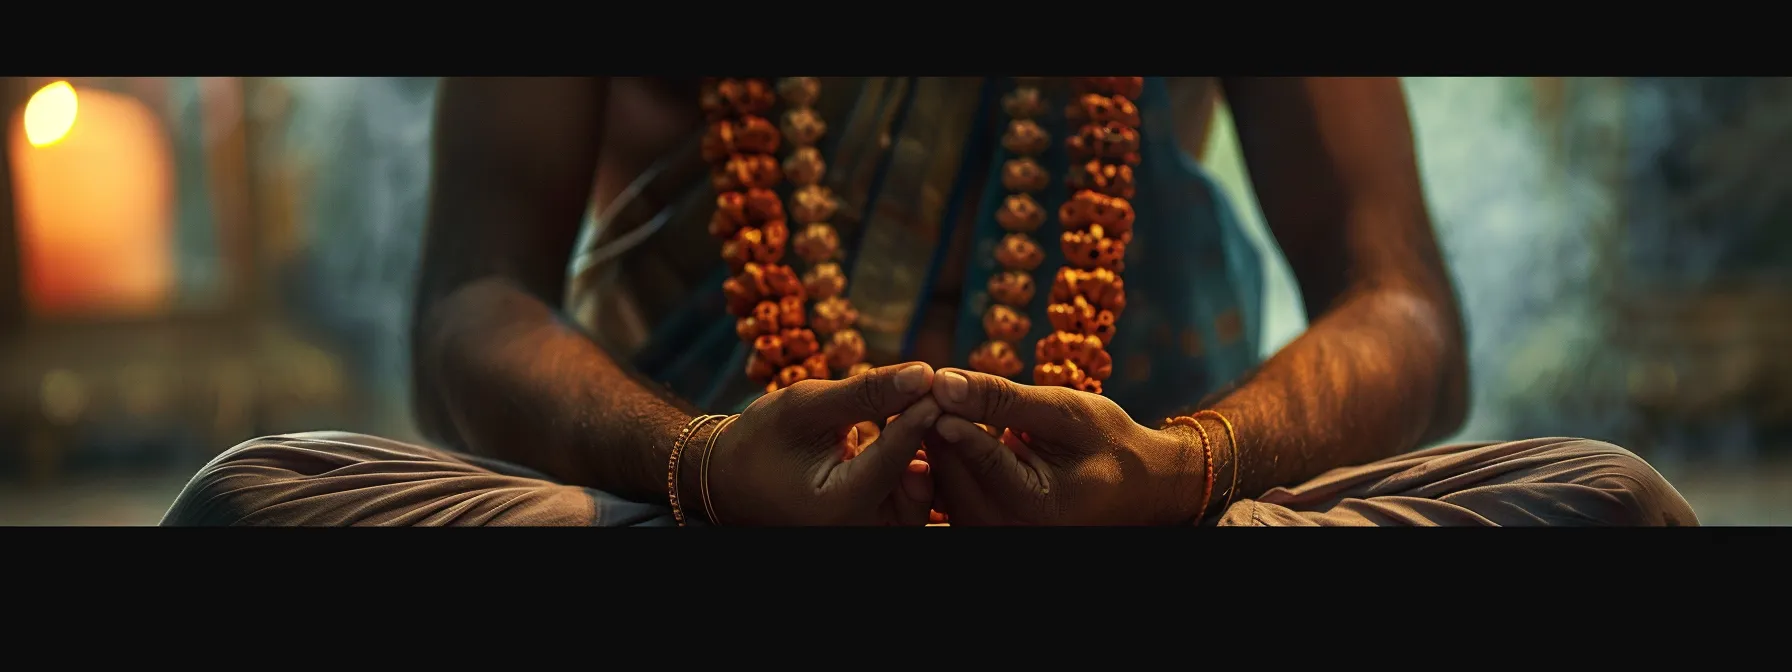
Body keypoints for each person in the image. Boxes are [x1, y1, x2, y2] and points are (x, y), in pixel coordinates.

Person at [161, 77, 1698, 527]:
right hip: (714, 526)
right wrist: (695, 467)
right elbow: (468, 302)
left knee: (1612, 511)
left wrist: (1192, 466)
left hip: (1145, 529)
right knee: (250, 509)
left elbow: (1405, 306)